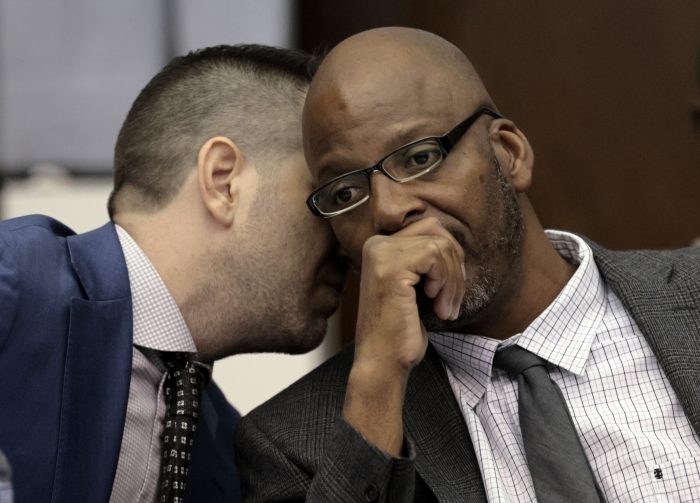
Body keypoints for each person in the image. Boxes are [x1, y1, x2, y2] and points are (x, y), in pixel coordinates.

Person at [234, 27, 700, 502]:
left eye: (419, 157)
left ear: (509, 154)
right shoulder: (293, 445)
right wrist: (378, 382)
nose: (389, 211)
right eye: (346, 192)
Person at [0, 44, 345, 503]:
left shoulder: (227, 446)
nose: (350, 239)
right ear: (224, 181)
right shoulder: (12, 280)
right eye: (330, 195)